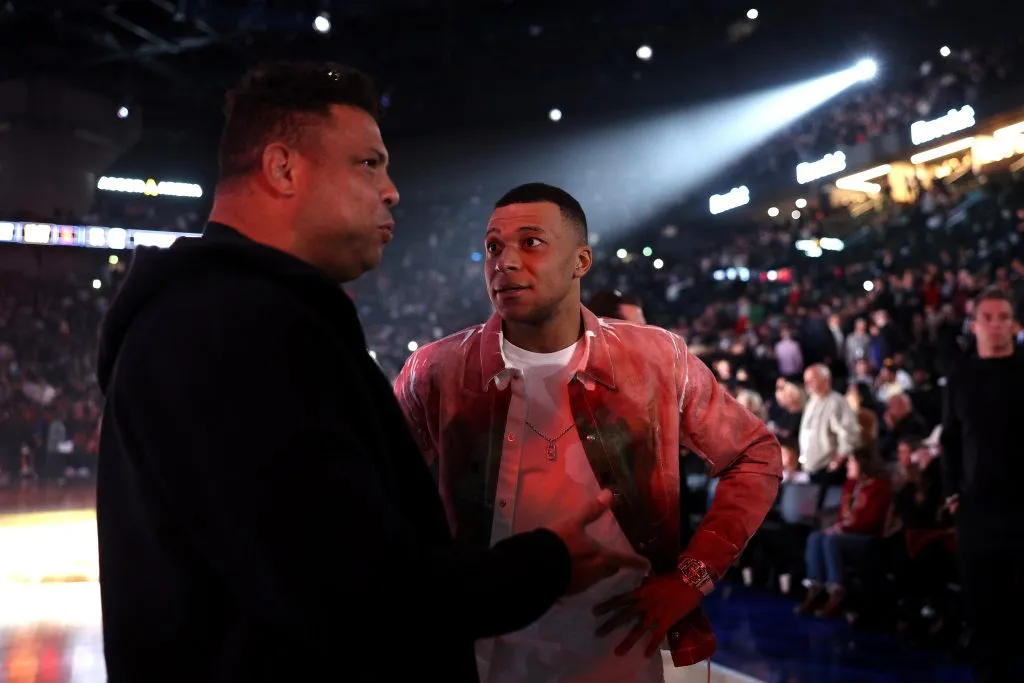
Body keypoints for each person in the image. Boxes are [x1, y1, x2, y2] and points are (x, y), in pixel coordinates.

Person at [95, 64, 642, 683]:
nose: (392, 190)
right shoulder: (234, 327)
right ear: (283, 169)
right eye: (368, 164)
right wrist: (545, 563)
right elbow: (354, 591)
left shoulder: (231, 317)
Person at [395, 183, 781, 682]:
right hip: (481, 656)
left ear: (581, 261)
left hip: (623, 655)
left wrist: (690, 579)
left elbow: (754, 455)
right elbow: (367, 489)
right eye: (493, 247)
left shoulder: (656, 359)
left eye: (531, 242)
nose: (505, 261)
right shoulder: (439, 370)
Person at [941, 286, 1024, 683]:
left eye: (1003, 317)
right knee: (980, 601)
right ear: (975, 325)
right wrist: (952, 492)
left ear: (1014, 324)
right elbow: (950, 438)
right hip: (975, 507)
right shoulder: (960, 375)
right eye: (987, 318)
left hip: (1020, 506)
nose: (995, 325)